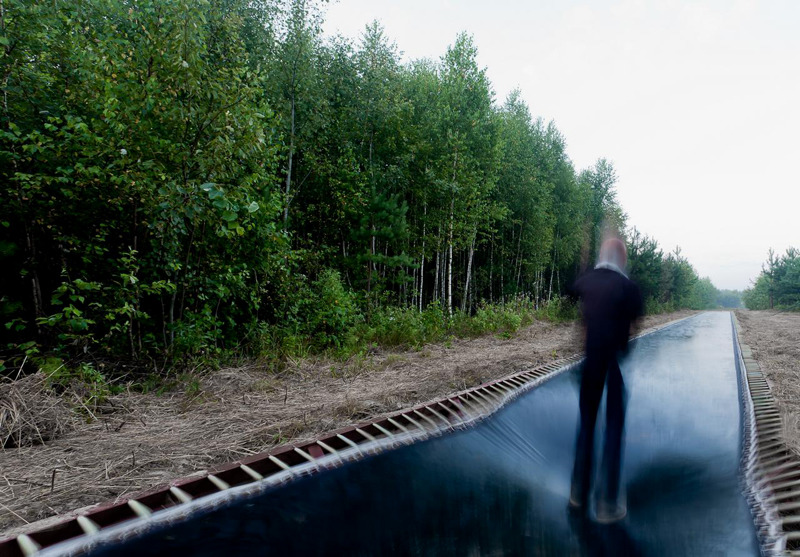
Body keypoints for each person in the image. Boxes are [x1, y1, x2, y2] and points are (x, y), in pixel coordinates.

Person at [569, 236, 643, 523]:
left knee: (586, 427)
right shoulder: (628, 287)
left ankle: (578, 493)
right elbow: (634, 325)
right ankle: (607, 503)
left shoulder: (588, 279)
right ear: (621, 259)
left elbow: (572, 292)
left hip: (590, 365)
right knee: (614, 428)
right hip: (611, 364)